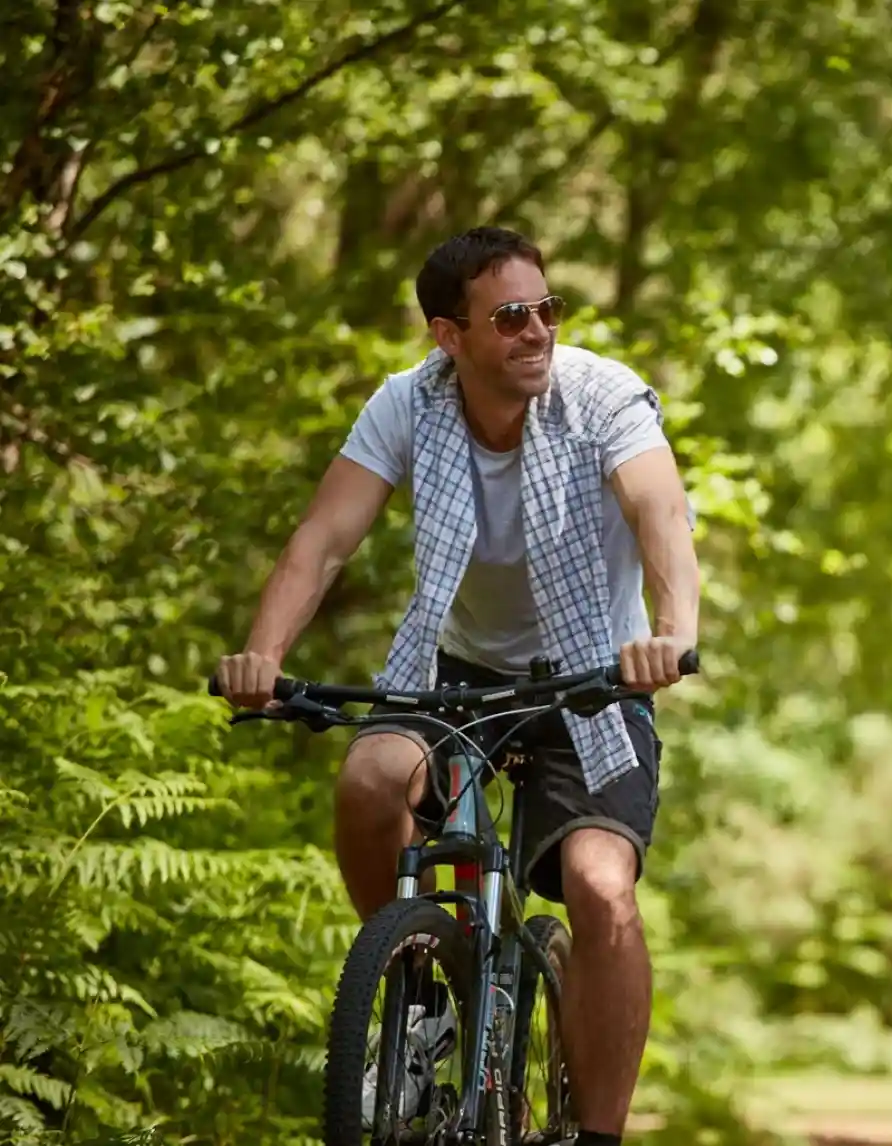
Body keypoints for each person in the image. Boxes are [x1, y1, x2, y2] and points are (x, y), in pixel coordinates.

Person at [213, 226, 700, 1144]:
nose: (537, 330)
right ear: (450, 335)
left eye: (546, 309)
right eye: (510, 316)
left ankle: (597, 1133)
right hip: (454, 670)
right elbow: (322, 542)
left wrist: (673, 635)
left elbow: (659, 511)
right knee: (366, 784)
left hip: (592, 671)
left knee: (600, 888)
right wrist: (262, 655)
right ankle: (423, 978)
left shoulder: (601, 396)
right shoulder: (406, 405)